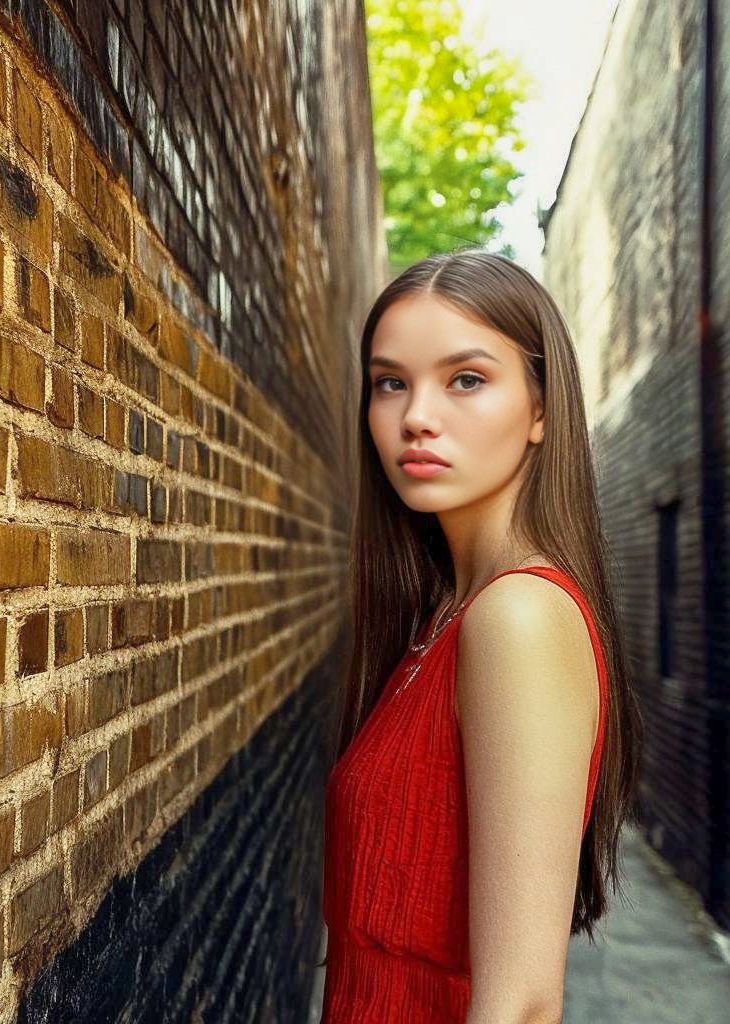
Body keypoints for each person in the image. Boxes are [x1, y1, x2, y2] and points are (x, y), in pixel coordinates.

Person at [317, 248, 644, 1023]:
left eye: (465, 379)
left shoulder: (517, 618)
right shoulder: (440, 617)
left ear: (539, 410)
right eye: (390, 382)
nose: (417, 416)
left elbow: (523, 1003)